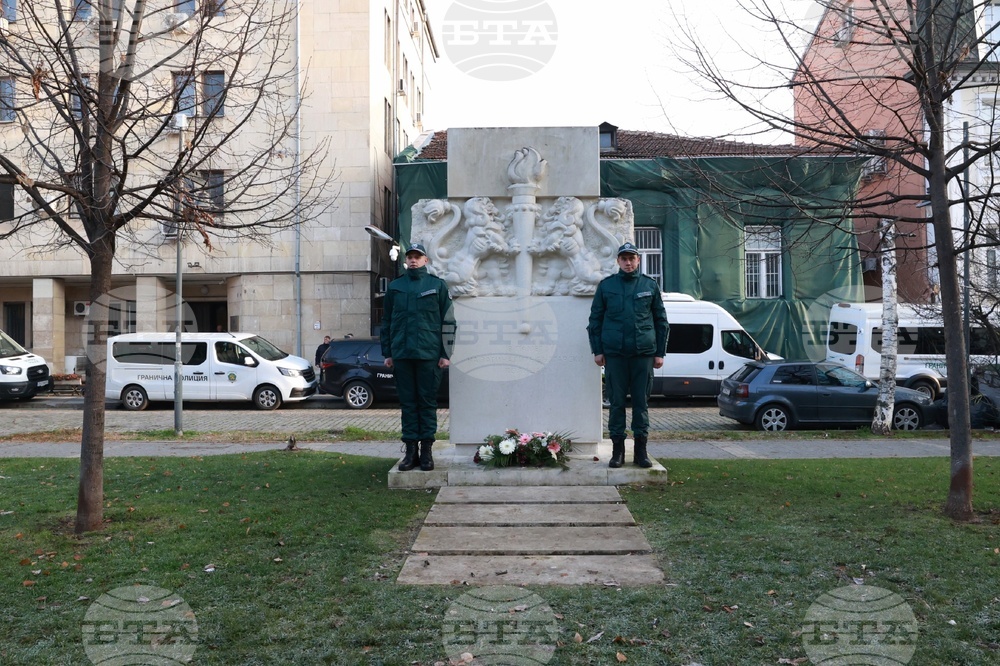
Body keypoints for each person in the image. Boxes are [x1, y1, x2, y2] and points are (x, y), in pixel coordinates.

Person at [587, 242, 668, 468]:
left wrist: (660, 353)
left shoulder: (649, 285)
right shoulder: (607, 286)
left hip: (643, 354)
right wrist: (598, 350)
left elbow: (661, 321)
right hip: (615, 355)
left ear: (638, 260)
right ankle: (618, 452)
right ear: (618, 261)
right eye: (624, 259)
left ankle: (641, 452)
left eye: (632, 258)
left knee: (641, 404)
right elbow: (595, 320)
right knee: (616, 404)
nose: (628, 262)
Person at [380, 243, 454, 471]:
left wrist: (446, 353)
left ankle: (427, 452)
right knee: (408, 404)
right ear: (406, 260)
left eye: (417, 257)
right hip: (402, 354)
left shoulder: (437, 286)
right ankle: (411, 452)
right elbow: (387, 321)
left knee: (427, 403)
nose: (413, 260)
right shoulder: (395, 287)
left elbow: (448, 321)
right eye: (410, 257)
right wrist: (387, 352)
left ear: (425, 261)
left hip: (428, 355)